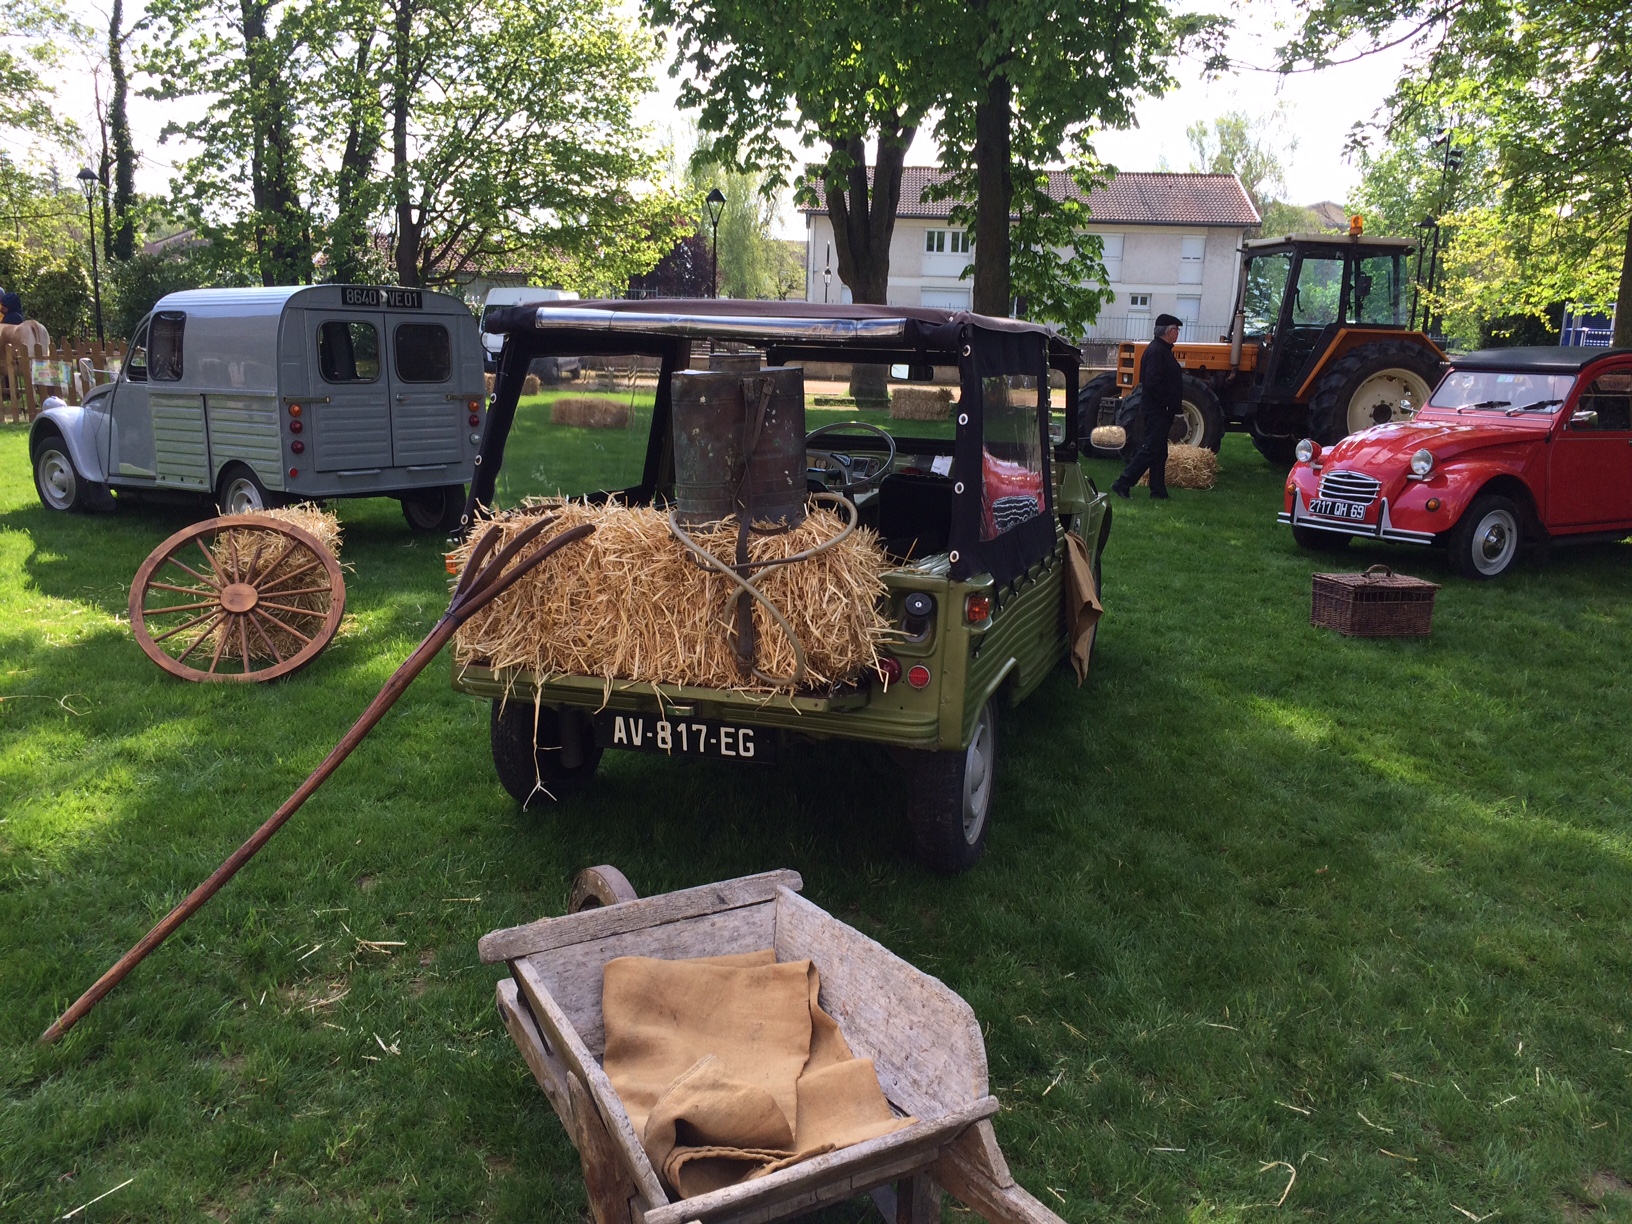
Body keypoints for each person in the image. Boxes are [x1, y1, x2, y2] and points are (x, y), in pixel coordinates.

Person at [1111, 313, 1184, 500]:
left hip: (1161, 409)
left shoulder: (1161, 350)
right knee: (1151, 449)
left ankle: (1158, 491)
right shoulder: (1157, 352)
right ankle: (1123, 483)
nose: (1178, 333)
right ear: (1169, 331)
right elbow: (1152, 383)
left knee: (1159, 452)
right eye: (1176, 329)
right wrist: (1166, 403)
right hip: (1158, 409)